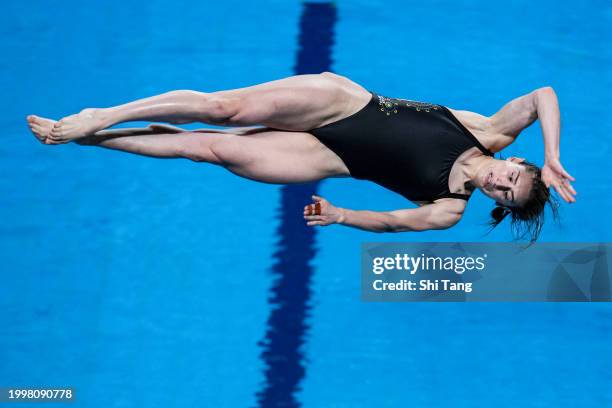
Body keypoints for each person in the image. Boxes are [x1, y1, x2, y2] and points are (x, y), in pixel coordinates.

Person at [26, 72, 575, 241]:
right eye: (515, 176)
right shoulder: (488, 132)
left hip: (323, 156)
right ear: (518, 163)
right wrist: (553, 155)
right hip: (345, 104)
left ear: (497, 200)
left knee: (205, 149)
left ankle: (84, 137)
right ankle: (104, 114)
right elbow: (543, 96)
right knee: (223, 109)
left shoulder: (448, 207)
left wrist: (341, 216)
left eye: (506, 193)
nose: (503, 182)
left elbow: (391, 223)